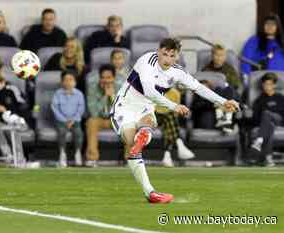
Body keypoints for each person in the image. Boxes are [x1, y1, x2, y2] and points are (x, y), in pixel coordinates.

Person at [110, 38, 239, 203]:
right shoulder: (146, 61)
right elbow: (149, 91)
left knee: (146, 125)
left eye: (172, 56)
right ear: (158, 52)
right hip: (124, 106)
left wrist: (223, 101)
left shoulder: (177, 72)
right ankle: (148, 186)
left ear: (177, 56)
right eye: (164, 54)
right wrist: (174, 106)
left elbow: (198, 87)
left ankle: (151, 192)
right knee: (130, 143)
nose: (167, 59)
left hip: (145, 108)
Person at [248, 73, 284, 166]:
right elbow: (255, 118)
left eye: (270, 84)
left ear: (274, 85)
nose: (267, 87)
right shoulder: (259, 100)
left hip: (279, 121)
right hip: (266, 124)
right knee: (269, 127)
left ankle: (259, 140)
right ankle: (268, 158)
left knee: (266, 113)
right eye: (265, 84)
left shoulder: (280, 98)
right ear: (262, 85)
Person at [86, 64, 118, 167]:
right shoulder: (92, 89)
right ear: (99, 78)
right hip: (99, 119)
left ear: (114, 78)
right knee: (91, 122)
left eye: (109, 77)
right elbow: (93, 112)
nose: (106, 80)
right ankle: (92, 159)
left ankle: (130, 159)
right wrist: (105, 96)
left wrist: (113, 97)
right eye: (103, 77)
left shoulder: (122, 88)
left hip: (116, 120)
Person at [51, 71, 85, 168]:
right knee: (61, 132)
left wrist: (73, 120)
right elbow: (54, 108)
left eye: (71, 80)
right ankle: (62, 154)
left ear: (75, 82)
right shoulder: (58, 93)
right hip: (61, 120)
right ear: (62, 82)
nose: (68, 82)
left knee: (78, 132)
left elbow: (81, 109)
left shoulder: (79, 94)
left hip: (75, 120)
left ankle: (78, 153)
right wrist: (64, 120)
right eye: (65, 80)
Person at [155, 88, 194, 167]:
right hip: (154, 116)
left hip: (169, 118)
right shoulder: (154, 90)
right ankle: (179, 143)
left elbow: (176, 110)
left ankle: (167, 155)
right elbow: (156, 109)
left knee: (168, 125)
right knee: (169, 117)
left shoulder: (175, 92)